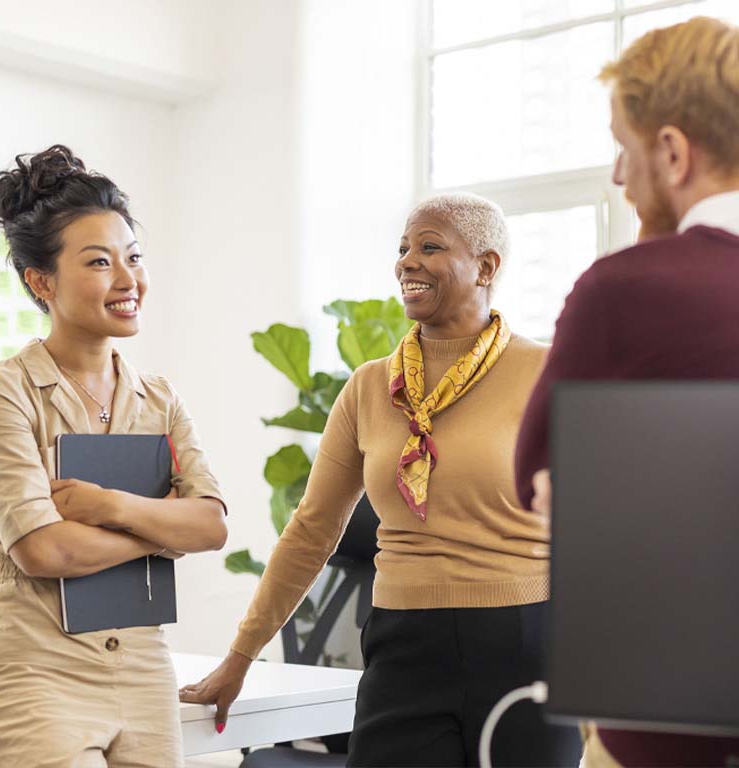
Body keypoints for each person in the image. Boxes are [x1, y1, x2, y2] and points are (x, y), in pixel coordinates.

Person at [180, 192, 581, 767]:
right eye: (402, 249)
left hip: (523, 640)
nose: (406, 262)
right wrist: (239, 658)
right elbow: (311, 530)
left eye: (430, 246)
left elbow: (601, 524)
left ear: (487, 267)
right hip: (403, 645)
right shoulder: (370, 388)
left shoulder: (546, 373)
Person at [514, 16, 739, 768]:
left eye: (624, 145)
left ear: (673, 151)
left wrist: (654, 250)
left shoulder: (626, 292)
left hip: (670, 734)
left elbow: (538, 480)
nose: (618, 175)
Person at [0, 145, 228, 768]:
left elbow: (212, 525)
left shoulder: (159, 397)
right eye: (99, 262)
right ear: (41, 281)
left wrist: (106, 505)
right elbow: (43, 550)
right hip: (31, 666)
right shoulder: (1, 391)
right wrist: (160, 529)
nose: (127, 279)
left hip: (141, 664)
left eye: (133, 258)